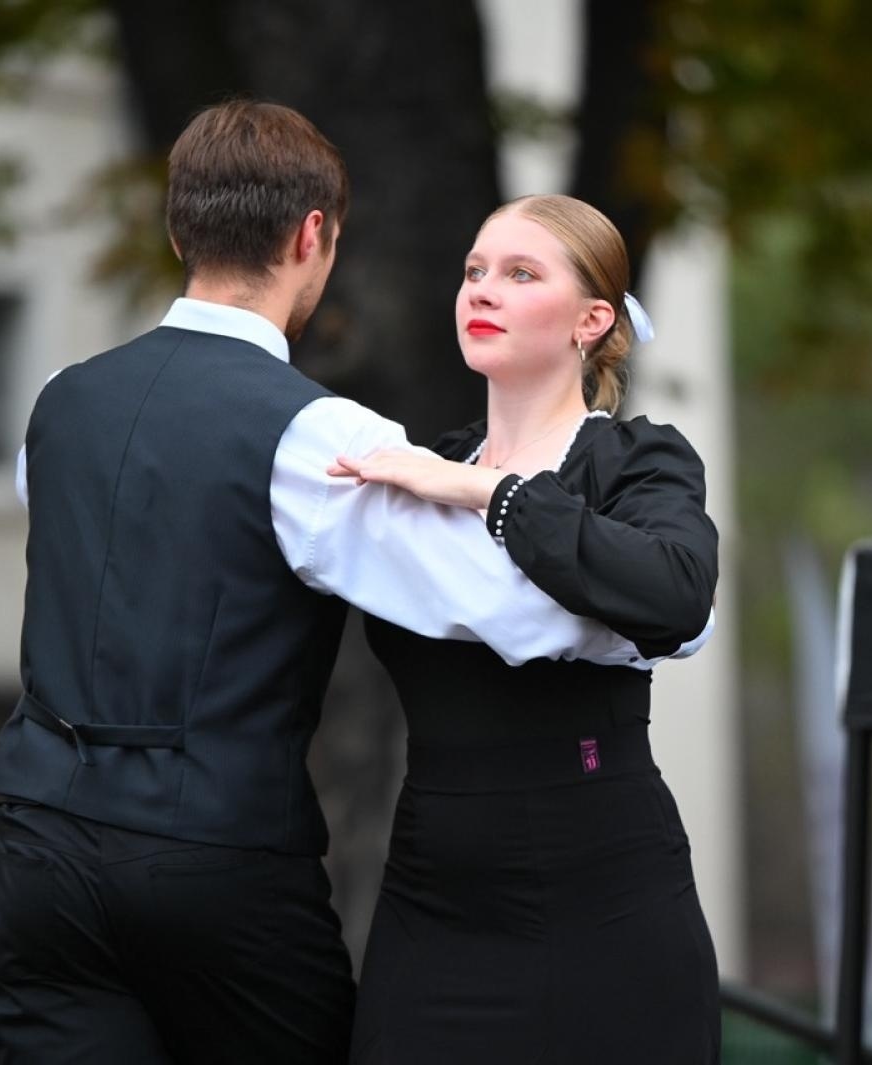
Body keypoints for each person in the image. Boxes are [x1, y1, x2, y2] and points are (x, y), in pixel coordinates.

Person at [0, 107, 684, 1065]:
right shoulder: (322, 436)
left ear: (179, 233)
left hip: (36, 862)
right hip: (214, 863)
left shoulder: (58, 400)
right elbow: (508, 606)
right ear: (314, 236)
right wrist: (654, 627)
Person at [331, 194, 722, 1063]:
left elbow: (677, 593)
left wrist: (493, 493)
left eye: (519, 273)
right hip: (433, 896)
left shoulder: (637, 460)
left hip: (606, 893)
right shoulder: (423, 464)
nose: (482, 289)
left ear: (592, 320)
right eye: (474, 271)